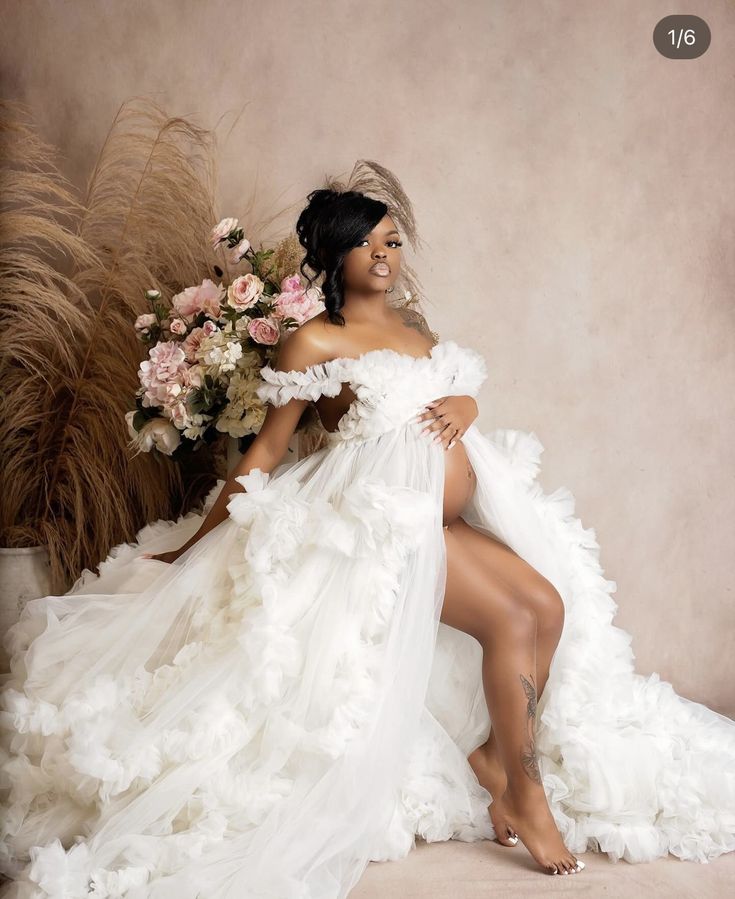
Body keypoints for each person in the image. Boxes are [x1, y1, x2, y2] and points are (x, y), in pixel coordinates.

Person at [1, 188, 733, 898]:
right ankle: (523, 793)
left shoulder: (413, 325)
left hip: (447, 517)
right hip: (380, 528)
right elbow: (267, 451)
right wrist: (199, 538)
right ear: (332, 253)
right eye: (364, 242)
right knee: (513, 620)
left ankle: (492, 756)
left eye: (390, 240)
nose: (382, 254)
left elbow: (445, 393)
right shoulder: (312, 341)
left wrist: (465, 400)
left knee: (545, 603)